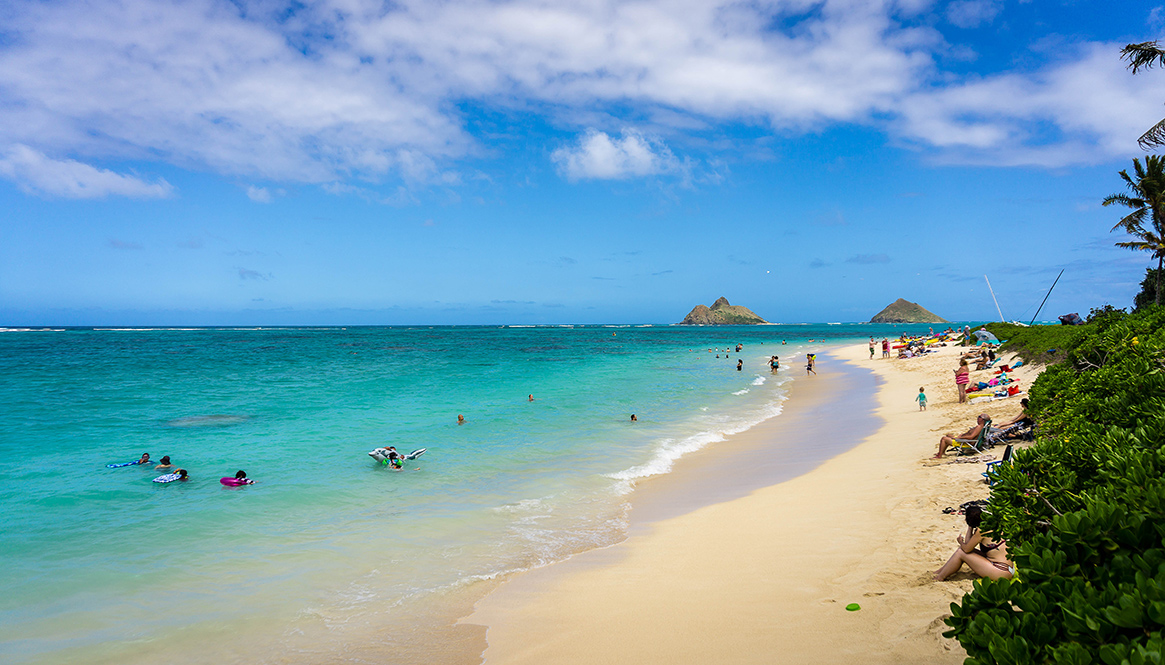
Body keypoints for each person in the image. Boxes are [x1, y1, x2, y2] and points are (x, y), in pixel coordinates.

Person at [934, 505, 1012, 581]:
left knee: (960, 552)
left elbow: (966, 549)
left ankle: (940, 577)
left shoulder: (981, 531)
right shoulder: (990, 523)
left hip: (1001, 571)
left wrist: (961, 542)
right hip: (1008, 568)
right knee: (962, 550)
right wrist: (970, 527)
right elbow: (968, 546)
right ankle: (941, 571)